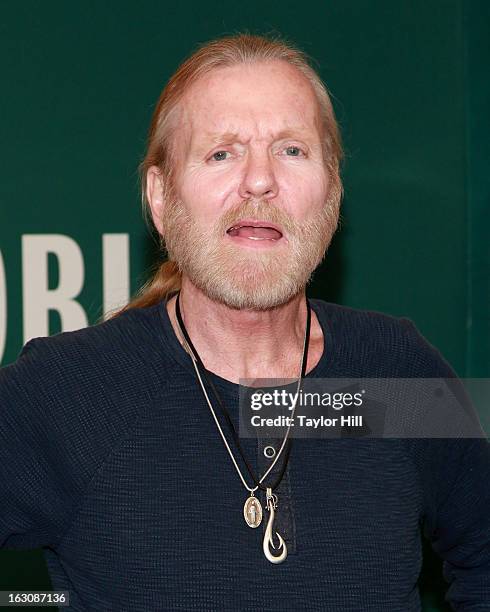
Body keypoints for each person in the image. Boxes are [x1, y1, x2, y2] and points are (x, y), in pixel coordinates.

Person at [1, 32, 489, 611]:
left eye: (291, 150)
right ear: (161, 198)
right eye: (221, 153)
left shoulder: (397, 375)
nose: (259, 181)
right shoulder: (71, 390)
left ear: (332, 193)